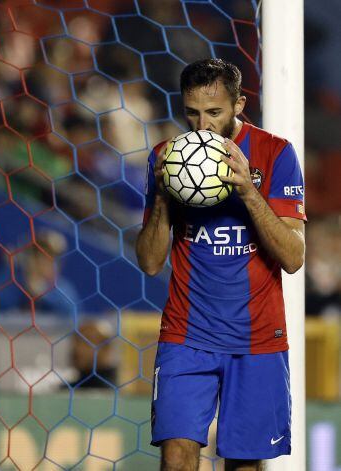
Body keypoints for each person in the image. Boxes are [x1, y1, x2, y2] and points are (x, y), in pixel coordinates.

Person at [136, 58, 306, 471]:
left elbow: (293, 257)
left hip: (258, 338)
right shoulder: (168, 158)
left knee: (244, 465)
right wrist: (161, 196)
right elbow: (150, 262)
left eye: (214, 112)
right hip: (186, 335)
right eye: (192, 113)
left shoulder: (275, 153)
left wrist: (248, 191)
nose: (202, 126)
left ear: (239, 105)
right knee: (176, 457)